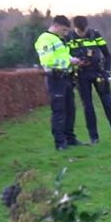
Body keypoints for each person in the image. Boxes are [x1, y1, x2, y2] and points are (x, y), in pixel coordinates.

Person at [68, 16, 111, 144]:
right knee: (88, 107)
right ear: (75, 28)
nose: (82, 34)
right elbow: (66, 57)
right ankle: (94, 138)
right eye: (79, 32)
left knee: (108, 105)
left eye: (84, 31)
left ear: (87, 27)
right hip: (81, 75)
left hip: (98, 73)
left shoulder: (95, 35)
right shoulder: (69, 38)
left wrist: (107, 70)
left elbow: (107, 54)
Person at [34, 16, 86, 150]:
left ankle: (70, 138)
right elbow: (48, 61)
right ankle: (60, 142)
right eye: (63, 30)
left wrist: (73, 60)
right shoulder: (45, 39)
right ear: (56, 26)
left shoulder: (58, 39)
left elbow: (62, 56)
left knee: (70, 110)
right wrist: (69, 62)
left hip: (65, 78)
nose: (65, 33)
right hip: (55, 78)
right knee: (59, 111)